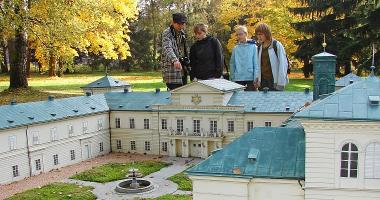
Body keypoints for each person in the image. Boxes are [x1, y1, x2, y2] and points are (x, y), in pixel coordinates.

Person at [255, 23, 289, 91]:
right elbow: (258, 65)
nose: (259, 37)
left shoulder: (276, 45)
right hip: (263, 81)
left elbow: (283, 64)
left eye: (261, 34)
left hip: (274, 81)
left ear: (267, 34)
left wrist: (280, 83)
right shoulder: (259, 47)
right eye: (257, 34)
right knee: (263, 101)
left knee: (275, 101)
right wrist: (258, 79)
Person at [161, 13, 189, 90]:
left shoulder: (182, 34)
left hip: (182, 70)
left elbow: (185, 50)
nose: (181, 26)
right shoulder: (167, 33)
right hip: (171, 70)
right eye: (179, 24)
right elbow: (167, 47)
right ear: (173, 22)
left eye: (183, 24)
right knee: (173, 95)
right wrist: (175, 60)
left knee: (183, 94)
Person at [229, 25, 259, 91]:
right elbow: (232, 64)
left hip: (250, 78)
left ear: (246, 34)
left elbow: (256, 64)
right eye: (237, 35)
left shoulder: (253, 47)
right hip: (238, 78)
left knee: (251, 99)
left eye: (240, 34)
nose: (239, 36)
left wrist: (255, 78)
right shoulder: (235, 48)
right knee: (238, 100)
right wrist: (232, 78)